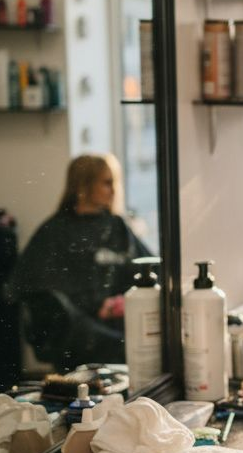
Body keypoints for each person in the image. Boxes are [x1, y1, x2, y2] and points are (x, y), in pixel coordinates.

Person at [8, 154, 151, 365]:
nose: (114, 190)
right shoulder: (54, 231)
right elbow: (40, 291)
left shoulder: (117, 226)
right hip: (76, 336)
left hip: (119, 327)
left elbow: (147, 268)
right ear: (84, 185)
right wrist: (92, 306)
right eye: (106, 183)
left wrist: (121, 302)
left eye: (114, 183)